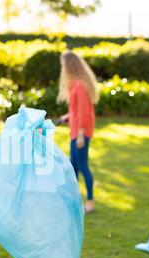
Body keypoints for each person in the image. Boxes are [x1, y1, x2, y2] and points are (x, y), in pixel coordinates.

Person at [57, 50, 99, 213]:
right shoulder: (76, 85)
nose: (62, 69)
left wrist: (81, 134)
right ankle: (73, 201)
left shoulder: (80, 86)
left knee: (82, 166)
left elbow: (84, 112)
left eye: (63, 65)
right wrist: (67, 116)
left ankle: (90, 202)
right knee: (73, 166)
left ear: (70, 66)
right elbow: (77, 109)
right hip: (76, 132)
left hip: (80, 133)